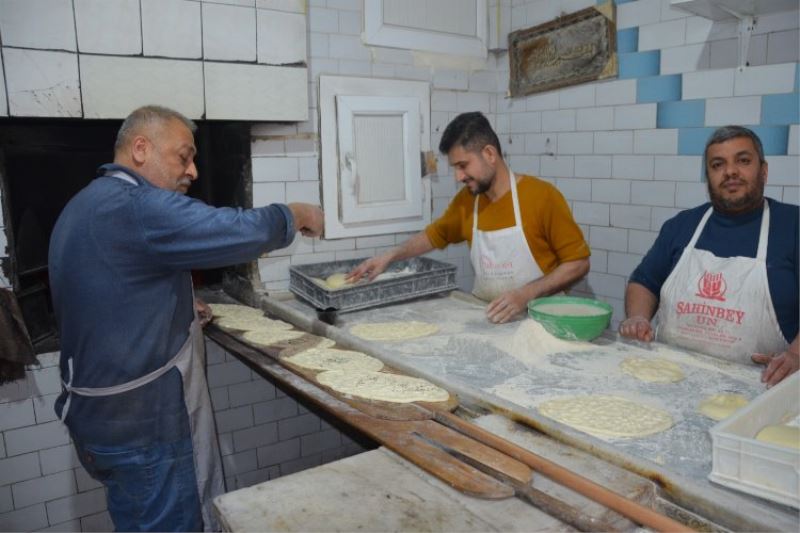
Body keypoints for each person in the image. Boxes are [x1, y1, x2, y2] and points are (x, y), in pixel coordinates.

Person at [48, 105, 323, 531]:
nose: (192, 170)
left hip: (98, 422)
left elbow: (108, 286)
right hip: (144, 428)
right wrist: (295, 215)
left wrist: (174, 299)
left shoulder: (85, 204)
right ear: (141, 149)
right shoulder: (136, 206)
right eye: (183, 156)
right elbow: (230, 229)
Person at [348, 111, 590, 323]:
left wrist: (525, 295)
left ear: (489, 154)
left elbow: (578, 263)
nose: (458, 177)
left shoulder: (542, 197)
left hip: (542, 324)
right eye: (455, 167)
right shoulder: (467, 202)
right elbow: (435, 235)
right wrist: (390, 256)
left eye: (463, 165)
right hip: (489, 318)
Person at [619, 125, 798, 387]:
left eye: (743, 161)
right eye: (717, 165)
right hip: (668, 376)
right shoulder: (681, 225)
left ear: (764, 171)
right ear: (708, 177)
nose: (730, 172)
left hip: (759, 384)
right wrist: (638, 317)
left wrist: (795, 355)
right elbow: (644, 282)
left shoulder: (793, 226)